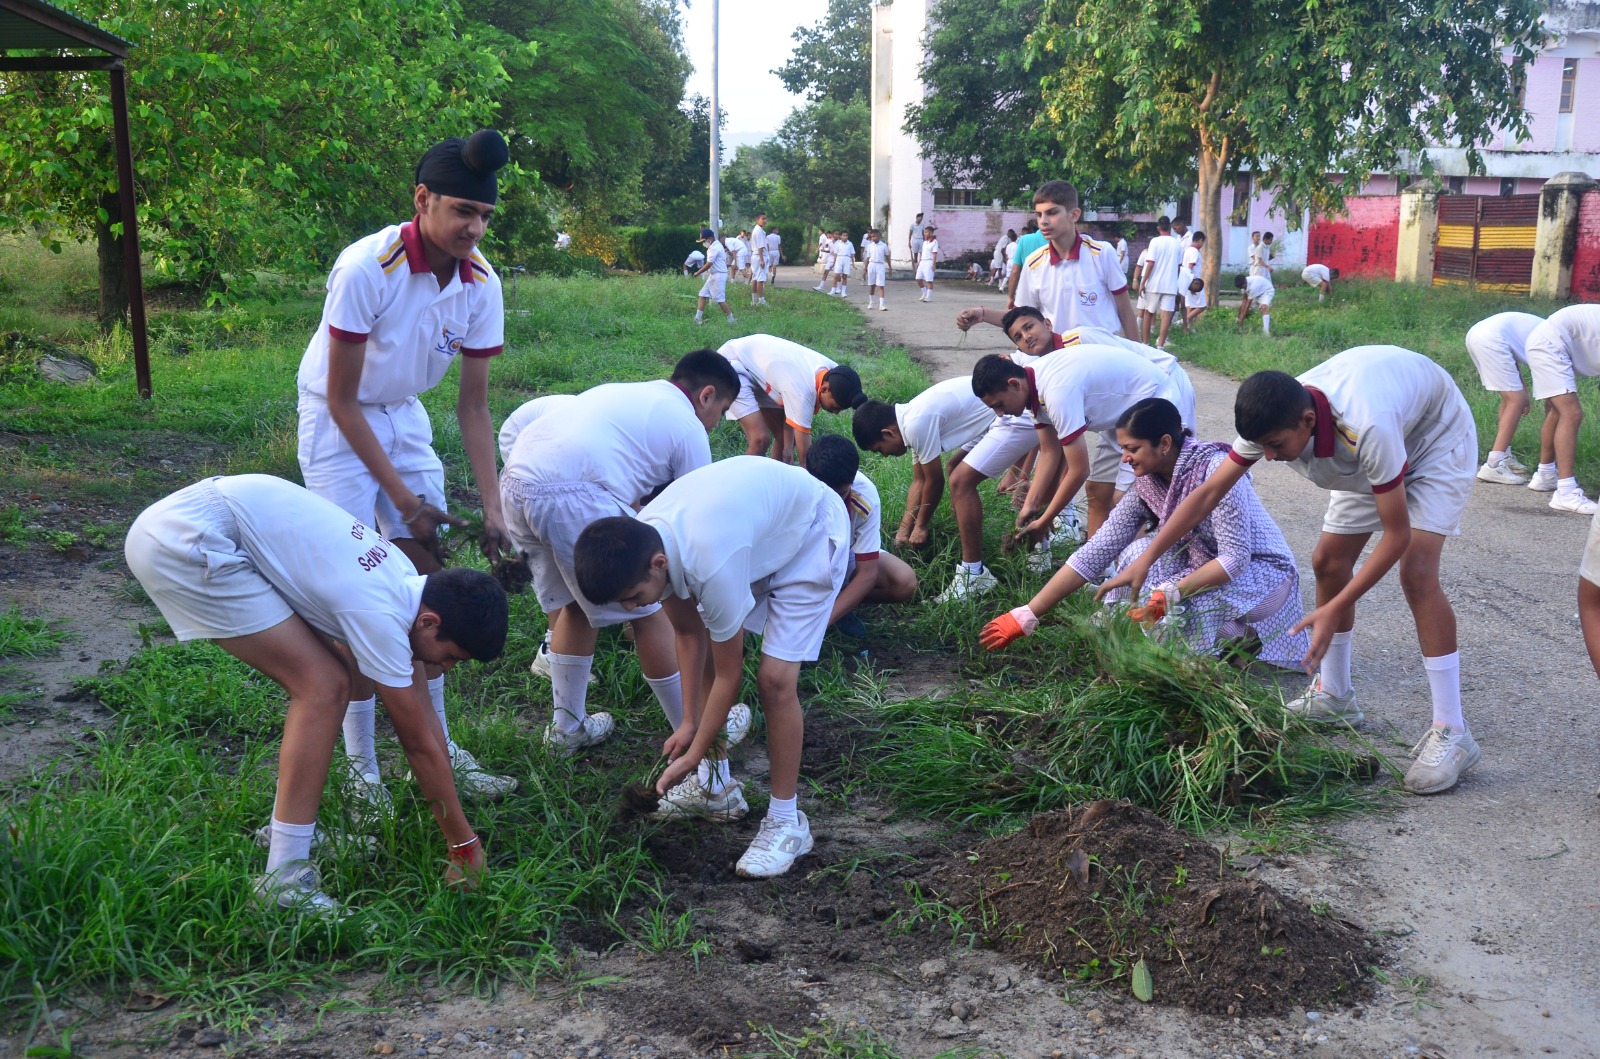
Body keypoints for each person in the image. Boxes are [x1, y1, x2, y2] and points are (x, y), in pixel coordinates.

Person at [1099, 347, 1481, 795]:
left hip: (1432, 442)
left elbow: (1395, 536)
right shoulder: (1268, 419)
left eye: (1276, 447)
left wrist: (1335, 607)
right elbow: (1206, 495)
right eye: (1261, 448)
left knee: (1416, 572)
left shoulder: (1366, 426)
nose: (1271, 458)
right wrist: (1146, 558)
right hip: (1372, 456)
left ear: (1306, 420)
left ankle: (1452, 731)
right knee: (1327, 562)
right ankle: (1335, 695)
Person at [124, 474, 508, 919]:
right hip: (185, 540)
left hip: (205, 518)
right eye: (451, 656)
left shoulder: (406, 581)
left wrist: (454, 812)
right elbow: (416, 743)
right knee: (323, 686)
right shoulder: (379, 612)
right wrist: (463, 844)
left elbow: (423, 719)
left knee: (331, 678)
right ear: (429, 623)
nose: (446, 668)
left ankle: (291, 834)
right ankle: (284, 881)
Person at [295, 128, 516, 805]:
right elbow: (340, 398)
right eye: (461, 212)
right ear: (422, 200)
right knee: (356, 595)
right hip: (339, 422)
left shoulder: (482, 283)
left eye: (484, 217)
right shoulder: (369, 266)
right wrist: (401, 496)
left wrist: (493, 504)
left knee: (428, 589)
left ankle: (442, 745)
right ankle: (364, 774)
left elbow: (473, 408)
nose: (473, 228)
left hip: (402, 416)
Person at [573, 457, 849, 877]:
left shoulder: (709, 559)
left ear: (658, 566)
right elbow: (688, 635)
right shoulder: (647, 539)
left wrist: (696, 750)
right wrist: (688, 723)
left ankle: (787, 822)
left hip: (810, 530)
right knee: (706, 642)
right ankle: (715, 788)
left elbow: (728, 673)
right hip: (762, 528)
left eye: (633, 596)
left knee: (774, 680)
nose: (632, 609)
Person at [501, 351, 747, 755]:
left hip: (516, 481)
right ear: (706, 396)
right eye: (721, 410)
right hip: (572, 491)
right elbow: (696, 519)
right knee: (649, 609)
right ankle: (696, 735)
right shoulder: (688, 427)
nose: (717, 421)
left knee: (575, 603)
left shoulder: (630, 394)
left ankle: (566, 730)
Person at [980, 398, 1309, 669]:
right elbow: (1097, 550)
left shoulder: (1216, 469)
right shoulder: (1148, 483)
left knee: (1185, 607)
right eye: (1123, 447)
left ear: (1164, 443)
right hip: (1203, 564)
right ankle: (1225, 639)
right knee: (1135, 556)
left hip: (1262, 574)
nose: (1125, 457)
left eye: (1132, 448)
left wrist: (1172, 593)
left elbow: (1234, 560)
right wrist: (1028, 612)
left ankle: (1195, 671)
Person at [968, 342, 1178, 571]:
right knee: (1097, 491)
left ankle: (1134, 581)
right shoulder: (1032, 388)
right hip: (1117, 413)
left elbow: (1078, 470)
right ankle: (1102, 571)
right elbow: (1049, 451)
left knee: (1129, 502)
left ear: (1014, 384)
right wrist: (1031, 505)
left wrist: (1046, 519)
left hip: (1155, 398)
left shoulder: (1056, 391)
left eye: (999, 405)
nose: (1000, 414)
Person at [957, 180, 1137, 338]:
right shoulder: (1034, 263)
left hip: (1103, 359)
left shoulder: (1101, 253)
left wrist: (1139, 357)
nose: (1043, 221)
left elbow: (1125, 312)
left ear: (1074, 215)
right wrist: (982, 314)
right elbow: (1020, 316)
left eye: (1052, 213)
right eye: (1039, 214)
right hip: (1058, 360)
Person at [852, 376, 1000, 551]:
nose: (884, 455)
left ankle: (973, 555)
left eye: (879, 449)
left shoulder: (915, 425)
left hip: (1000, 411)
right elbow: (919, 480)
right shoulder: (908, 421)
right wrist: (904, 530)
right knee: (953, 467)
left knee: (961, 480)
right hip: (986, 417)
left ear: (888, 433)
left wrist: (920, 525)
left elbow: (935, 481)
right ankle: (960, 522)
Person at [805, 435, 919, 635]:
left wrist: (820, 625)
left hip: (841, 553)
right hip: (801, 556)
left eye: (840, 496)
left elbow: (867, 573)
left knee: (904, 582)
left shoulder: (864, 496)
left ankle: (837, 607)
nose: (834, 505)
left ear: (852, 478)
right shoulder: (797, 488)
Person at [718, 334, 867, 464]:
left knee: (785, 441)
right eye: (836, 407)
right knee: (760, 439)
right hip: (733, 361)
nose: (835, 413)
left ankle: (774, 485)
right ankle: (745, 490)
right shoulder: (803, 391)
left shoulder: (836, 374)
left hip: (763, 369)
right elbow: (805, 458)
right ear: (824, 389)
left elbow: (791, 415)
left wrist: (788, 450)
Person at [1524, 305, 1600, 514]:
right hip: (1550, 344)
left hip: (1548, 341)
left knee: (1558, 412)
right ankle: (1565, 493)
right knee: (1571, 413)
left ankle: (1546, 475)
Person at [1463, 311, 1542, 486]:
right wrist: (1523, 396)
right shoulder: (1557, 338)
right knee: (1515, 400)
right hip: (1491, 339)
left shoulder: (1549, 328)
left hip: (1478, 333)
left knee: (1511, 398)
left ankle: (1503, 456)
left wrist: (1524, 391)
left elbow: (1513, 356)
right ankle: (1494, 464)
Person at [1137, 216, 1182, 348]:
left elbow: (1150, 263)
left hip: (1154, 284)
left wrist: (1143, 282)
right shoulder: (1177, 244)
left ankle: (1145, 344)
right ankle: (1160, 346)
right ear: (1170, 228)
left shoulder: (1154, 242)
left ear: (1158, 228)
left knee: (1148, 313)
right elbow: (1179, 267)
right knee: (1166, 317)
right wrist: (1176, 282)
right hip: (1170, 285)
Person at [692, 227, 736, 325]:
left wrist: (697, 273)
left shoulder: (715, 248)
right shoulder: (713, 246)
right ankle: (697, 319)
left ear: (710, 239)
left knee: (720, 300)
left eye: (704, 241)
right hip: (714, 275)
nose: (703, 243)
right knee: (702, 294)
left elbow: (709, 264)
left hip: (718, 276)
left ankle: (731, 320)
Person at [1005, 220, 1046, 308]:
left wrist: (1011, 297)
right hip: (1050, 294)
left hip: (1027, 292)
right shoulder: (1058, 242)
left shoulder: (1024, 240)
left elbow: (1015, 271)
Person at [1234, 271, 1274, 335]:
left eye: (1242, 287)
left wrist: (1242, 319)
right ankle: (1237, 322)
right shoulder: (1243, 284)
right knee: (1241, 307)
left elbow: (1247, 305)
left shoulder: (1253, 286)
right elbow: (1244, 300)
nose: (1242, 288)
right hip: (1258, 292)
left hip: (1266, 291)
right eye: (1241, 288)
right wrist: (1239, 318)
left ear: (1245, 283)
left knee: (1264, 308)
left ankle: (1266, 332)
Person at [862, 228, 890, 311]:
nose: (872, 238)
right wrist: (865, 268)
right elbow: (868, 258)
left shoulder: (884, 246)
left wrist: (890, 267)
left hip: (880, 265)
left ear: (878, 236)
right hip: (872, 265)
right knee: (872, 285)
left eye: (874, 236)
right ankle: (871, 302)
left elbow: (887, 257)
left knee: (881, 285)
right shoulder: (870, 246)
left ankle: (881, 305)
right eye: (871, 237)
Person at [750, 212, 770, 307]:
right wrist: (761, 260)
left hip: (755, 256)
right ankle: (761, 301)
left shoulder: (758, 230)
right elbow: (760, 247)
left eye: (766, 218)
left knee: (755, 278)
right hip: (759, 256)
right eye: (763, 219)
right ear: (757, 220)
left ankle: (754, 300)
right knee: (760, 279)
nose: (765, 221)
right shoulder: (759, 231)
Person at [915, 225, 939, 301]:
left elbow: (935, 253)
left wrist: (934, 264)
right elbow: (922, 253)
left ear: (931, 233)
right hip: (923, 261)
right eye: (924, 232)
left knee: (929, 280)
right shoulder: (925, 242)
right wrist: (919, 261)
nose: (924, 234)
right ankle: (924, 292)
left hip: (929, 261)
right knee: (918, 278)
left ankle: (928, 297)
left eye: (926, 232)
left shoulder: (935, 242)